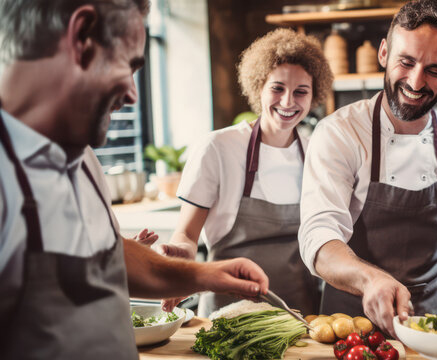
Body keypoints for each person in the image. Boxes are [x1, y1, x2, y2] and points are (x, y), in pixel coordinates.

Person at [0, 1, 269, 358]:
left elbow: (108, 252)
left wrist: (206, 275)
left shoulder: (84, 159)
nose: (132, 94)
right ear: (81, 36)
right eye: (129, 65)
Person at [299, 0, 437, 336]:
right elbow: (319, 237)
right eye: (406, 61)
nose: (415, 81)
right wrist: (371, 279)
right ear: (384, 53)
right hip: (349, 327)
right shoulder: (340, 133)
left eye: (435, 70)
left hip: (432, 328)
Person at [148, 28, 333, 317]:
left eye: (300, 92)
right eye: (277, 88)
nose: (287, 102)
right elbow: (186, 233)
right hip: (227, 316)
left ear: (314, 96)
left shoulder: (317, 154)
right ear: (258, 86)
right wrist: (180, 260)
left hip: (298, 317)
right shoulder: (218, 148)